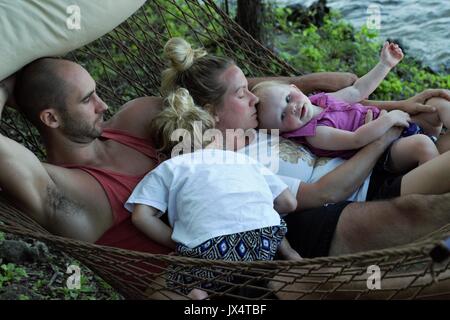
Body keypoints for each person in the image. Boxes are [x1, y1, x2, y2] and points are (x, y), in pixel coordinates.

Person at [0, 57, 355, 298]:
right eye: (88, 99)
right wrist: (7, 78)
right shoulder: (63, 191)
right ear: (50, 118)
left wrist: (298, 85)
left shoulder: (134, 120)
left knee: (405, 215)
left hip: (259, 220)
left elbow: (213, 95)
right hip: (215, 289)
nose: (104, 105)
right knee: (352, 282)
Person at [160, 37, 450, 259]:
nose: (253, 98)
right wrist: (383, 137)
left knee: (440, 106)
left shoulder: (261, 124)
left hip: (373, 164)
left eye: (249, 88)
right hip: (365, 194)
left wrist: (404, 105)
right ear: (213, 113)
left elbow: (335, 106)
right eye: (241, 94)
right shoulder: (233, 162)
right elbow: (324, 193)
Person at [124, 87, 299, 296]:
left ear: (164, 154)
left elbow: (141, 216)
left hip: (213, 251)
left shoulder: (169, 167)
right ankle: (290, 256)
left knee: (161, 288)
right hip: (265, 243)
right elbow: (288, 203)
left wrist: (177, 242)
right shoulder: (243, 159)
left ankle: (197, 293)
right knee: (270, 219)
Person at [253, 42, 450, 174]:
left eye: (288, 98)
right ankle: (437, 189)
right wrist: (388, 120)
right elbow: (356, 140)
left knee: (437, 105)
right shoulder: (316, 133)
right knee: (422, 145)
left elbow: (357, 91)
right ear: (282, 133)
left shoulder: (321, 100)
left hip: (400, 125)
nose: (293, 108)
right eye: (282, 115)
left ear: (294, 87)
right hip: (388, 151)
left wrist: (385, 64)